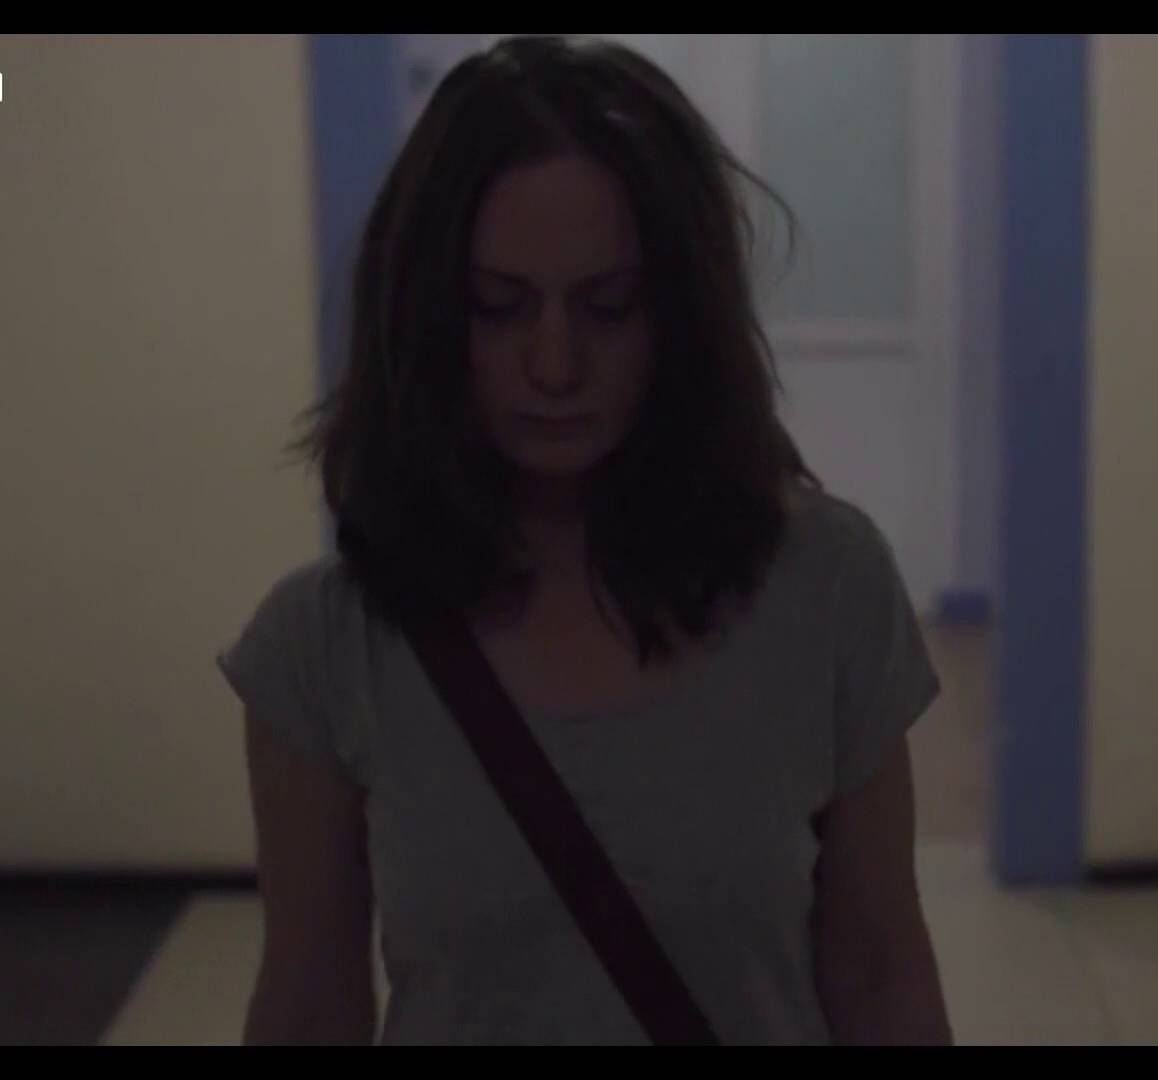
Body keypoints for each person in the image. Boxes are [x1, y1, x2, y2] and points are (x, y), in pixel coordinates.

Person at [219, 34, 951, 1046]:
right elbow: (309, 1008)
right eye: (498, 307)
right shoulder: (325, 645)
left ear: (680, 315)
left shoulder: (829, 588)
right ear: (427, 318)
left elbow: (880, 976)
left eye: (609, 307)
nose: (554, 364)